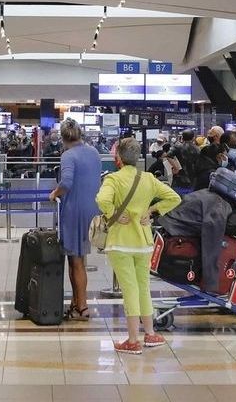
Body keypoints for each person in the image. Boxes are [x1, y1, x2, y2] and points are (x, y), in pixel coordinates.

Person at [97, 137, 181, 355]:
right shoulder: (148, 179)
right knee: (143, 286)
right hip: (144, 241)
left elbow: (102, 200)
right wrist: (151, 213)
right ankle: (150, 333)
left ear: (118, 158)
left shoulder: (113, 180)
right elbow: (174, 198)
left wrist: (114, 213)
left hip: (121, 243)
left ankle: (133, 339)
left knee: (130, 290)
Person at [47, 120, 102, 321]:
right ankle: (76, 302)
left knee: (75, 261)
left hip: (74, 211)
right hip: (92, 209)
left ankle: (83, 306)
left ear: (62, 138)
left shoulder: (68, 155)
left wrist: (55, 193)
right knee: (79, 258)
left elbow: (67, 182)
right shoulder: (94, 152)